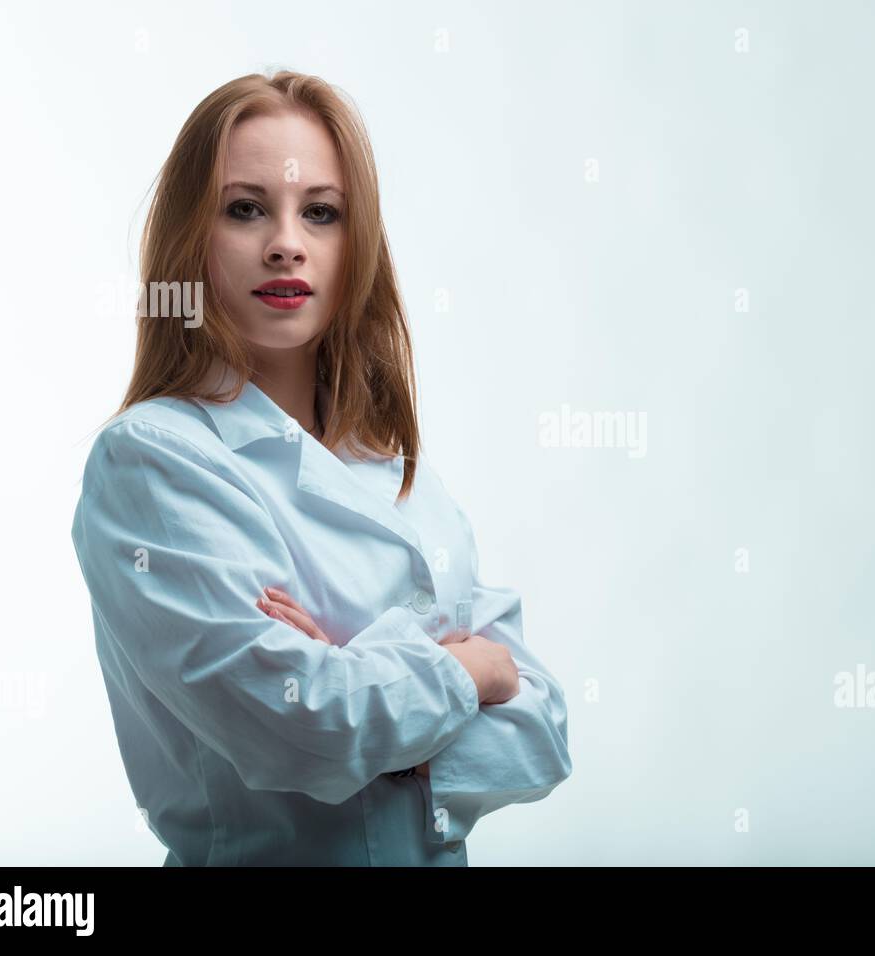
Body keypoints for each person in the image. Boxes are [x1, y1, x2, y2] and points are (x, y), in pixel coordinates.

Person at [69, 70, 572, 866]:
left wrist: (357, 676)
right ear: (189, 241)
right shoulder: (151, 462)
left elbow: (543, 733)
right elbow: (304, 730)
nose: (285, 242)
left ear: (355, 244)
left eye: (321, 213)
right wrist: (458, 673)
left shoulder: (399, 472)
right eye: (245, 208)